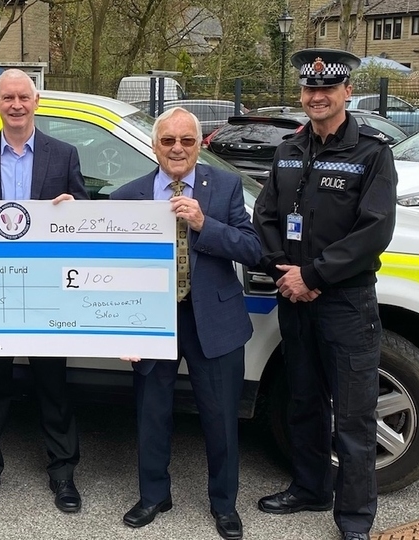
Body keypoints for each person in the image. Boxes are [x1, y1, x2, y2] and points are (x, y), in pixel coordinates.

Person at [252, 49, 398, 540]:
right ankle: (310, 488)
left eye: (327, 89)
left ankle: (355, 520)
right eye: (310, 89)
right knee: (304, 402)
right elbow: (266, 216)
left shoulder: (373, 153)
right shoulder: (288, 149)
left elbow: (372, 233)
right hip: (294, 299)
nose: (317, 96)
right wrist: (283, 271)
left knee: (353, 417)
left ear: (346, 93)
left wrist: (311, 276)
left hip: (345, 304)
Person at [111, 107, 260, 540]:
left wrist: (202, 223)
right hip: (152, 319)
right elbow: (112, 266)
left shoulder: (226, 187)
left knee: (220, 416)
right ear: (155, 145)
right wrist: (120, 325)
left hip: (213, 319)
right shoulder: (128, 196)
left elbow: (251, 249)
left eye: (187, 141)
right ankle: (154, 495)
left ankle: (224, 504)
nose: (177, 148)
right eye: (168, 141)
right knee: (152, 411)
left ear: (199, 145)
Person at [0, 68, 89, 513]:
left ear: (36, 101)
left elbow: (83, 216)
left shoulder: (63, 155)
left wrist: (75, 207)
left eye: (22, 97)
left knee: (53, 383)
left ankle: (63, 474)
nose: (15, 104)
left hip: (46, 291)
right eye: (6, 97)